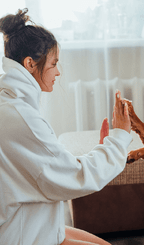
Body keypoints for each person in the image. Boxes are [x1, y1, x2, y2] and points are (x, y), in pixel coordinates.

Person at [0, 9, 132, 245]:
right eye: (54, 63)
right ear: (30, 63)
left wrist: (102, 149)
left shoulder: (11, 104)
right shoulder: (21, 117)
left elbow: (50, 166)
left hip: (32, 222)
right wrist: (120, 137)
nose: (58, 72)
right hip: (22, 235)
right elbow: (76, 176)